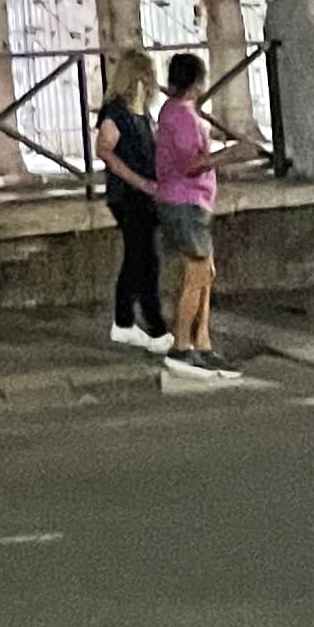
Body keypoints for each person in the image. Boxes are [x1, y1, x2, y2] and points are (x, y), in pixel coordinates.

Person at [153, 53, 240, 378]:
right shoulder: (183, 117)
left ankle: (201, 342)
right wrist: (229, 155)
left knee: (205, 272)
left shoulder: (172, 110)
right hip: (186, 201)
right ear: (198, 82)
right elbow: (191, 164)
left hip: (187, 201)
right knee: (196, 274)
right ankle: (182, 344)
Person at [96, 43, 172, 353]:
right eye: (148, 77)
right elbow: (105, 151)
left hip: (145, 194)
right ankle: (155, 327)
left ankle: (124, 322)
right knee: (145, 261)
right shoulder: (117, 112)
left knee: (136, 259)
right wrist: (138, 181)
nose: (153, 83)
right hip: (128, 195)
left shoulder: (141, 113)